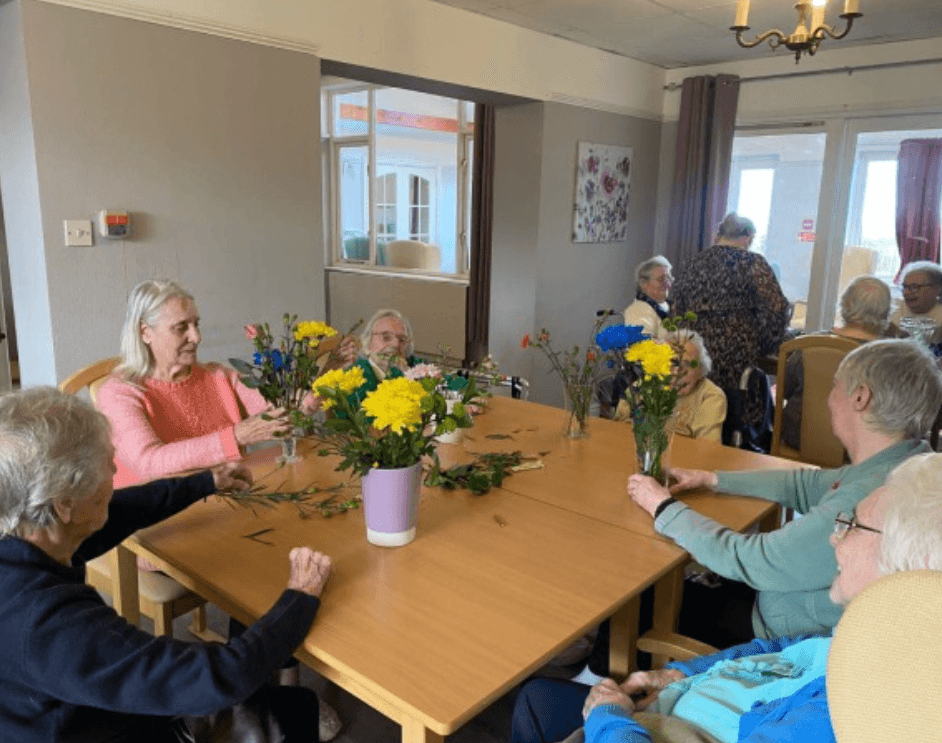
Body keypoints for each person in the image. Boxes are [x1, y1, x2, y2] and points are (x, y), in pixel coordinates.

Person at [511, 452, 942, 743]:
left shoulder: (852, 710)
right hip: (682, 699)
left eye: (851, 526)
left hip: (657, 727)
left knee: (536, 702)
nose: (834, 537)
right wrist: (678, 674)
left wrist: (609, 719)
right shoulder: (867, 637)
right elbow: (777, 650)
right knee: (536, 696)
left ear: (908, 564)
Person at [0, 386, 332, 743]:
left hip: (58, 705)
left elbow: (118, 512)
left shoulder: (29, 533)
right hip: (84, 729)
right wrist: (302, 593)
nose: (114, 468)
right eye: (104, 464)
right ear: (64, 503)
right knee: (291, 709)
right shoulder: (48, 624)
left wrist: (203, 483)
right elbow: (222, 677)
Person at [627, 339, 942, 643]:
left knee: (643, 597)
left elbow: (753, 560)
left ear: (860, 397)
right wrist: (713, 479)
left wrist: (663, 508)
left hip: (777, 636)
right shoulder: (908, 463)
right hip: (786, 600)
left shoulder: (864, 501)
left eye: (835, 385)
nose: (829, 398)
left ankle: (613, 684)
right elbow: (803, 485)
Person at [98, 279, 292, 488]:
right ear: (146, 333)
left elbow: (279, 408)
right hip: (159, 514)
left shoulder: (217, 376)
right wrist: (235, 437)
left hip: (224, 496)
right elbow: (149, 463)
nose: (196, 337)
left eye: (196, 324)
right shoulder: (119, 392)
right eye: (181, 327)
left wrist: (316, 389)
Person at [670, 213, 790, 435]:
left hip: (695, 349)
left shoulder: (693, 262)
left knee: (700, 406)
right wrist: (765, 343)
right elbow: (777, 309)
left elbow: (675, 309)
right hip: (735, 352)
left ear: (719, 234)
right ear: (748, 237)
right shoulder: (753, 263)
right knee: (736, 412)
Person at [781, 276, 892, 449]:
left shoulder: (809, 344)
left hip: (798, 439)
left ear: (845, 305)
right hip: (857, 448)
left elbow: (785, 389)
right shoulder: (891, 358)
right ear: (886, 312)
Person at [613, 331, 727, 442]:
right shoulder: (641, 387)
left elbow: (707, 450)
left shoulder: (711, 397)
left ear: (701, 370)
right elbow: (617, 429)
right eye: (671, 362)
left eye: (687, 364)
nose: (677, 373)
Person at [623, 256, 672, 340]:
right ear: (644, 283)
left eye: (669, 278)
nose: (668, 284)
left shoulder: (663, 307)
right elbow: (643, 347)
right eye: (661, 279)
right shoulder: (638, 310)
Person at [891, 260, 942, 330]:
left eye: (914, 287)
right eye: (905, 287)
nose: (906, 292)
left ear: (937, 289)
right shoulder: (895, 308)